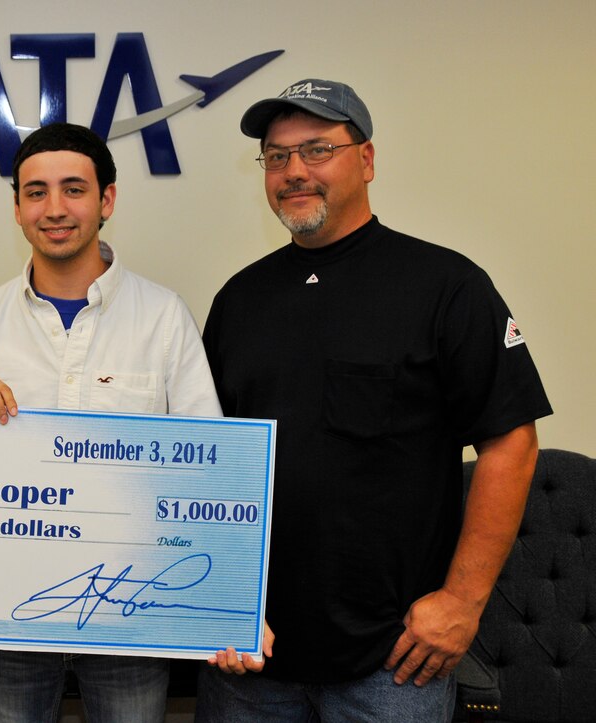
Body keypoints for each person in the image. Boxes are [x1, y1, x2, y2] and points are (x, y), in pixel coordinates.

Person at [197, 79, 553, 721]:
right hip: (250, 655)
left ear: (365, 160)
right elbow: (209, 462)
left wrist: (462, 602)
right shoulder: (240, 300)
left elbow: (512, 442)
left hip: (392, 661)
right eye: (276, 156)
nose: (294, 171)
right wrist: (218, 599)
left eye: (317, 149)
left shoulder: (446, 286)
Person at [0, 122, 232, 722]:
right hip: (9, 612)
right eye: (36, 192)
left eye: (74, 189)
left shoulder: (163, 316)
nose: (55, 208)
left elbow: (208, 461)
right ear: (16, 208)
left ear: (107, 200)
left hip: (131, 613)